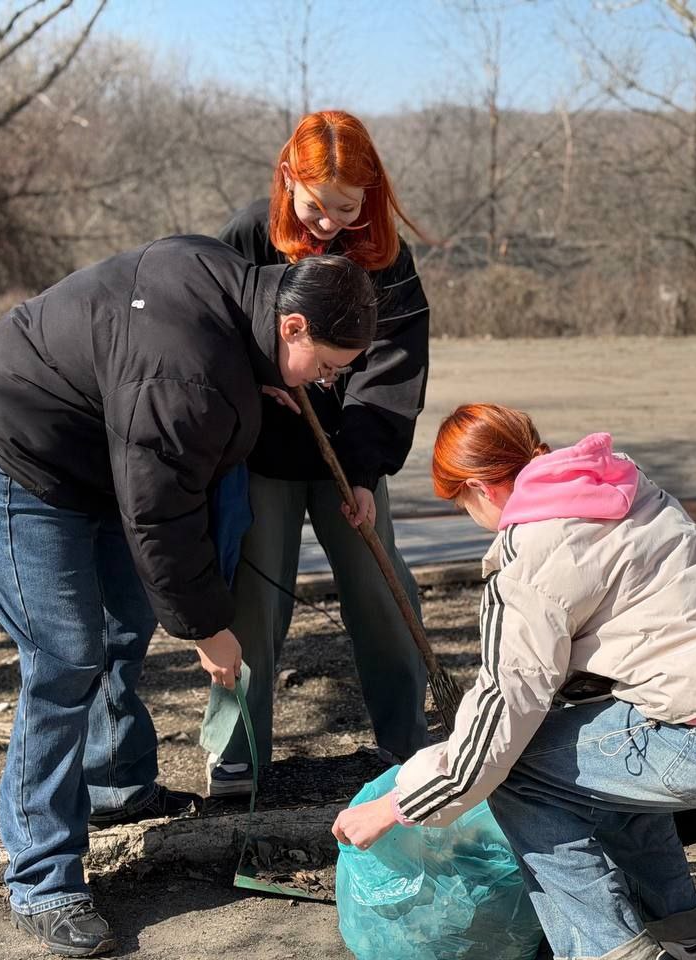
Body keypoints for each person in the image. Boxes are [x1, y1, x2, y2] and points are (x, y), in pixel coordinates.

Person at [0, 238, 376, 957]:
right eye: (324, 367)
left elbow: (166, 436)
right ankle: (42, 877)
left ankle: (114, 786)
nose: (323, 383)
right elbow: (161, 514)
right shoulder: (184, 371)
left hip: (95, 451)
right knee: (64, 658)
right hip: (6, 453)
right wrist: (208, 629)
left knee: (122, 625)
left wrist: (261, 379)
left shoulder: (240, 304)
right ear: (291, 324)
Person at [333, 404, 696, 960]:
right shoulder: (618, 487)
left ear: (478, 488)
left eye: (461, 504)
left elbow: (502, 722)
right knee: (597, 758)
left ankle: (607, 949)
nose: (468, 516)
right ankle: (687, 937)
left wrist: (397, 806)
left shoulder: (527, 563)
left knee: (518, 773)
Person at [200, 109, 431, 796]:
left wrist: (361, 469)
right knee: (253, 599)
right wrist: (256, 381)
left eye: (347, 207)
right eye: (316, 205)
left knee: (380, 591)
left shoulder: (384, 253)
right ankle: (236, 748)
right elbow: (210, 332)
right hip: (260, 453)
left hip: (350, 452)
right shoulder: (248, 234)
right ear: (287, 179)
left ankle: (406, 740)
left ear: (370, 194)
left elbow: (393, 365)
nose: (330, 223)